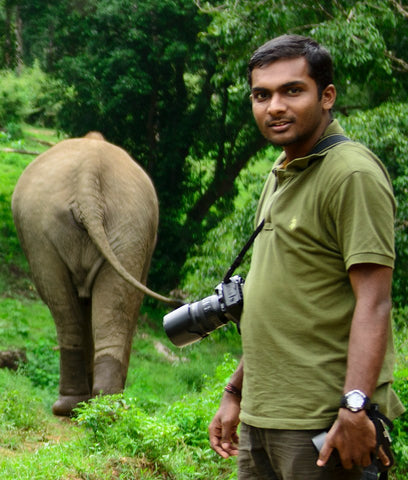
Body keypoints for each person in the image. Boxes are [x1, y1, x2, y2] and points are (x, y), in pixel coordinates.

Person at [208, 34, 405, 480]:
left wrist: (355, 407)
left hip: (322, 422)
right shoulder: (280, 172)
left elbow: (375, 302)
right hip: (263, 418)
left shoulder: (351, 174)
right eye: (262, 95)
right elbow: (273, 297)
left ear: (327, 95)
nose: (274, 106)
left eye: (292, 90)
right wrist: (236, 391)